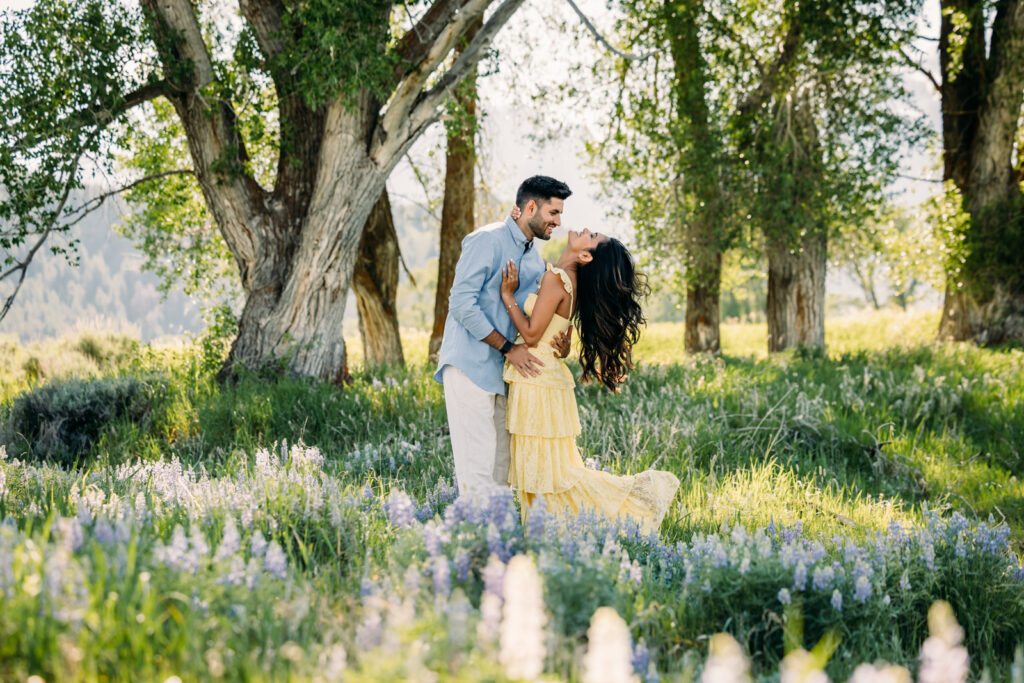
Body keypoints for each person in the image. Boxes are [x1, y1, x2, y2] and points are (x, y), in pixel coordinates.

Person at [499, 212, 679, 534]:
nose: (584, 229)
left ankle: (631, 507)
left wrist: (508, 296)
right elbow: (551, 329)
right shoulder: (564, 277)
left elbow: (529, 335)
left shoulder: (558, 279)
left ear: (585, 255)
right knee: (548, 471)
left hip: (535, 378)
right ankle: (552, 532)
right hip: (542, 377)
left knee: (547, 471)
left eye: (592, 235)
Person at [434, 176, 573, 498]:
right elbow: (460, 304)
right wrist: (508, 347)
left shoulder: (532, 258)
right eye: (553, 213)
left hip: (507, 373)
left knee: (502, 469)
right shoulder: (487, 240)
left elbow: (535, 316)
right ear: (531, 207)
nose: (558, 221)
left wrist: (561, 343)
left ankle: (499, 543)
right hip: (470, 366)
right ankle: (473, 542)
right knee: (477, 467)